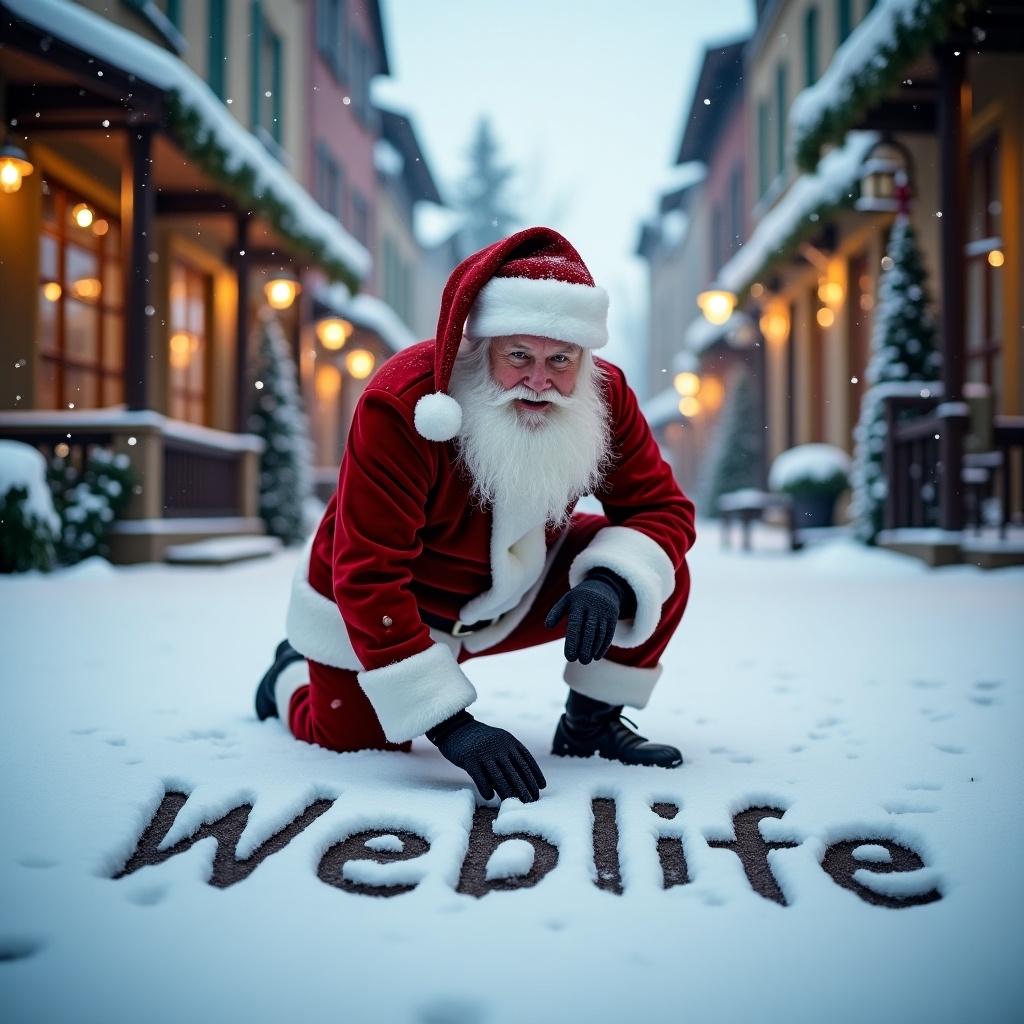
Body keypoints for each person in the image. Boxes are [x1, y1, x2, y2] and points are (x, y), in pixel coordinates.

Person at [255, 226, 696, 804]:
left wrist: (612, 582)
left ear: (583, 356)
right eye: (518, 356)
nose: (540, 381)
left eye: (560, 359)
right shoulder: (405, 403)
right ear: (481, 345)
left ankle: (591, 725)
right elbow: (368, 572)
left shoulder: (605, 395)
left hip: (510, 594)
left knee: (650, 570)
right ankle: (289, 673)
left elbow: (661, 509)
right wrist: (451, 727)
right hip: (380, 604)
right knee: (356, 744)